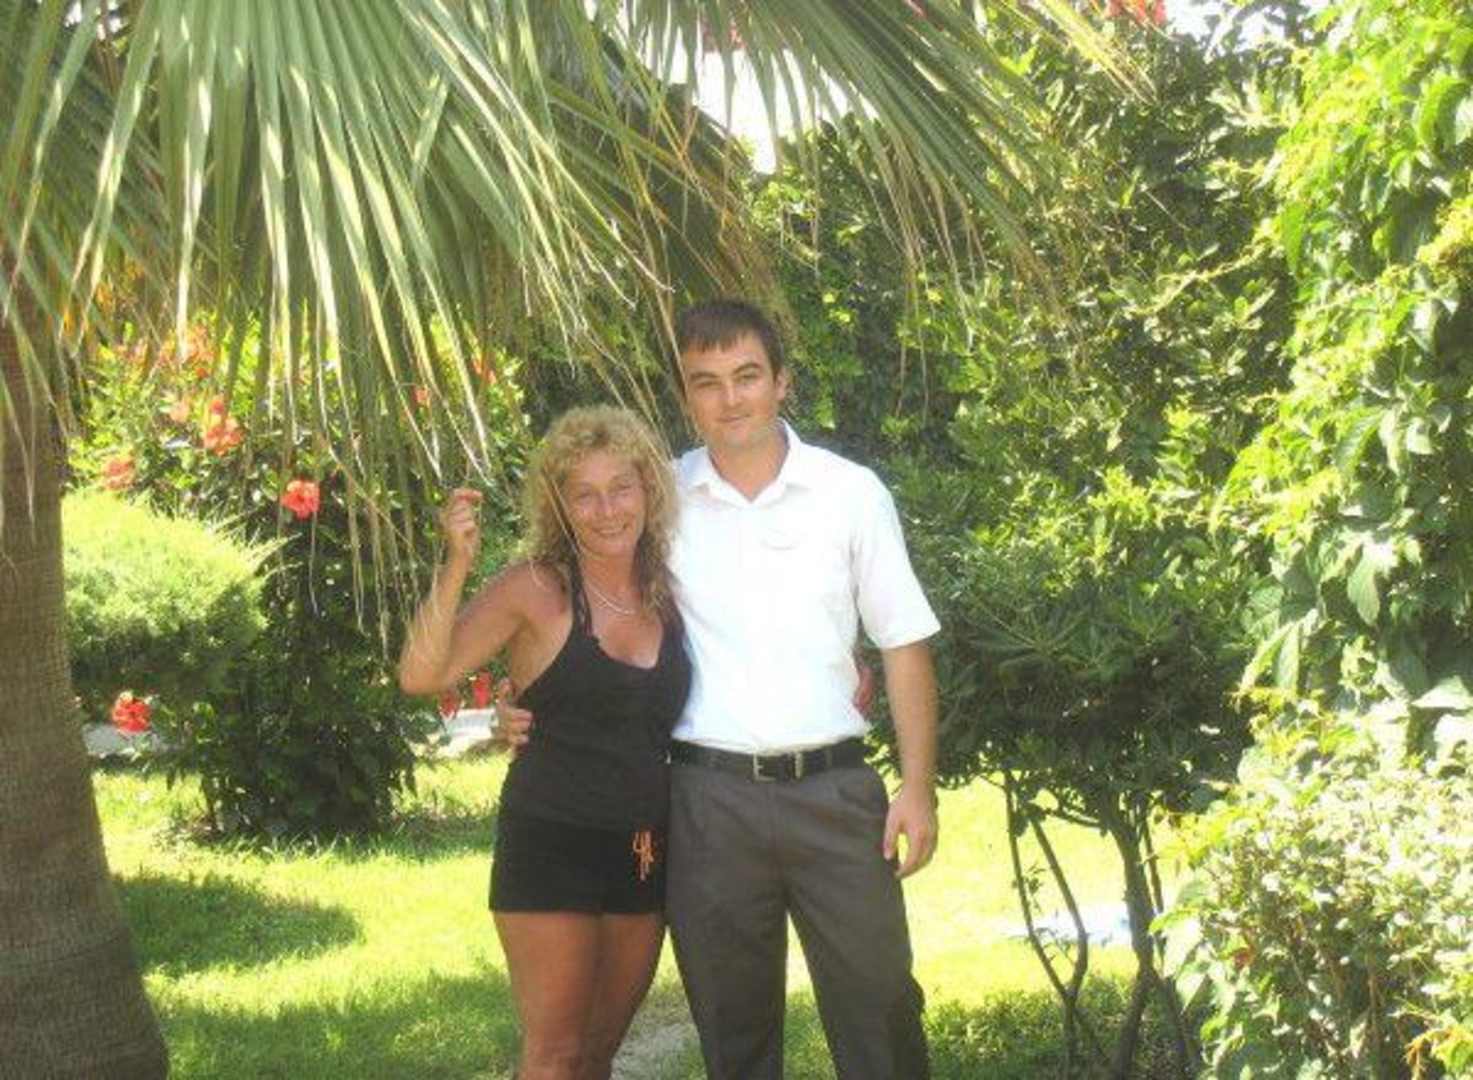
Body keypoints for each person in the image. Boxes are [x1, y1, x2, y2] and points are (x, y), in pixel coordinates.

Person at [500, 300, 941, 1079]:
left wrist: (917, 787)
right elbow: (585, 609)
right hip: (707, 803)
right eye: (706, 382)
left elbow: (902, 643)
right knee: (732, 1033)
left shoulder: (849, 493)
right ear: (685, 395)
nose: (729, 399)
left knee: (881, 1014)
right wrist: (524, 698)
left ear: (781, 383)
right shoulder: (657, 500)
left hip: (837, 795)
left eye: (747, 376)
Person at [398, 405, 691, 1080]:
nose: (606, 511)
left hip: (643, 848)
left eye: (620, 488)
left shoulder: (670, 589)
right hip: (551, 841)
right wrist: (457, 562)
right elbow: (421, 675)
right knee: (553, 1056)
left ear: (648, 489)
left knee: (598, 1054)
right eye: (583, 494)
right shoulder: (536, 588)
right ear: (558, 504)